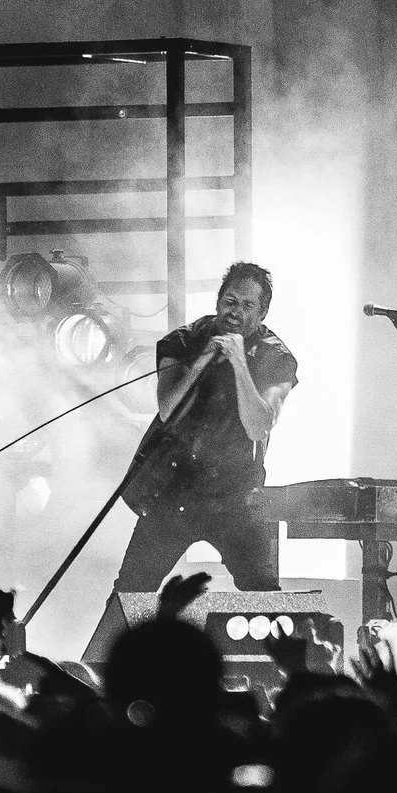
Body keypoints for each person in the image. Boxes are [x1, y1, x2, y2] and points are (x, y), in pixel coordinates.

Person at [88, 262, 297, 657]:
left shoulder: (277, 358)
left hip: (236, 498)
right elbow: (168, 409)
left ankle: (291, 676)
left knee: (264, 594)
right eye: (229, 301)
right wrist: (202, 361)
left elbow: (258, 425)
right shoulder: (183, 341)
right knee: (132, 590)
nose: (235, 311)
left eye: (247, 306)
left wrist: (238, 363)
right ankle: (96, 670)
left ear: (262, 314)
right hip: (173, 493)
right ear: (218, 301)